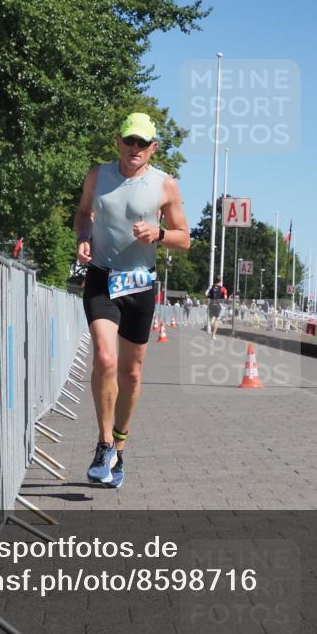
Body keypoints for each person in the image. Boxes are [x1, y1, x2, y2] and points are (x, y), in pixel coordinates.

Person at [75, 112, 190, 488]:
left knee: (132, 372)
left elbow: (184, 237)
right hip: (102, 277)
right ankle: (103, 443)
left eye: (142, 143)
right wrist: (83, 239)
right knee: (105, 359)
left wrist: (159, 233)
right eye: (129, 141)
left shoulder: (165, 186)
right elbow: (82, 214)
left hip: (140, 285)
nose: (134, 149)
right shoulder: (99, 175)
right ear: (118, 143)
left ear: (153, 148)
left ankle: (120, 447)